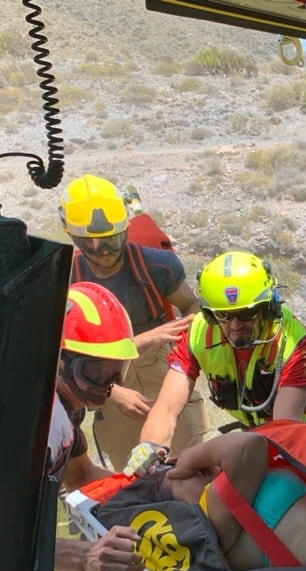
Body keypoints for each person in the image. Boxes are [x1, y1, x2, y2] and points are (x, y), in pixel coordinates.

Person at [123, 251, 306, 476]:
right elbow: (166, 408)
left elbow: (283, 433)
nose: (235, 325)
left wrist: (206, 456)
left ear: (266, 308)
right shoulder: (198, 334)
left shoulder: (294, 343)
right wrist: (150, 446)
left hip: (304, 432)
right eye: (223, 315)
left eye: (246, 314)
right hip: (255, 432)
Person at [58, 173, 207, 470]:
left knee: (192, 468)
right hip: (108, 388)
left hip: (164, 375)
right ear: (73, 237)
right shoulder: (66, 281)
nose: (103, 252)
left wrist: (185, 345)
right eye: (91, 244)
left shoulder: (157, 266)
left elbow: (191, 304)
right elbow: (66, 357)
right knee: (135, 477)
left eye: (111, 242)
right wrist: (112, 392)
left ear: (125, 229)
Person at [48, 281, 149, 571]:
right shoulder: (40, 424)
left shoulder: (69, 404)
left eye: (115, 369)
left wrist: (150, 485)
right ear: (59, 358)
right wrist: (84, 555)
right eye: (95, 370)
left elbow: (80, 474)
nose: (107, 383)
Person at [157, 431, 306, 570]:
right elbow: (247, 445)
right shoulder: (214, 528)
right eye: (178, 476)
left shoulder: (237, 492)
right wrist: (193, 455)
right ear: (178, 513)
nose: (186, 471)